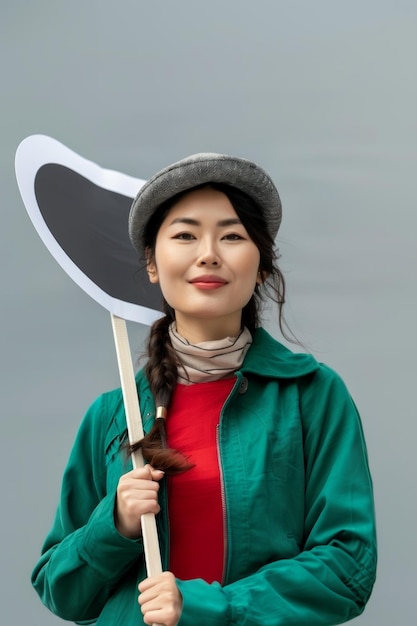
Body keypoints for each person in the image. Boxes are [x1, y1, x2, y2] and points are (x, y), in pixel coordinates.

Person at [31, 153, 377, 626]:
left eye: (232, 235)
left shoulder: (312, 396)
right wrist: (114, 525)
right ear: (152, 264)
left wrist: (209, 607)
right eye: (185, 235)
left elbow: (347, 567)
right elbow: (61, 591)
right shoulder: (114, 414)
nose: (209, 252)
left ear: (261, 267)